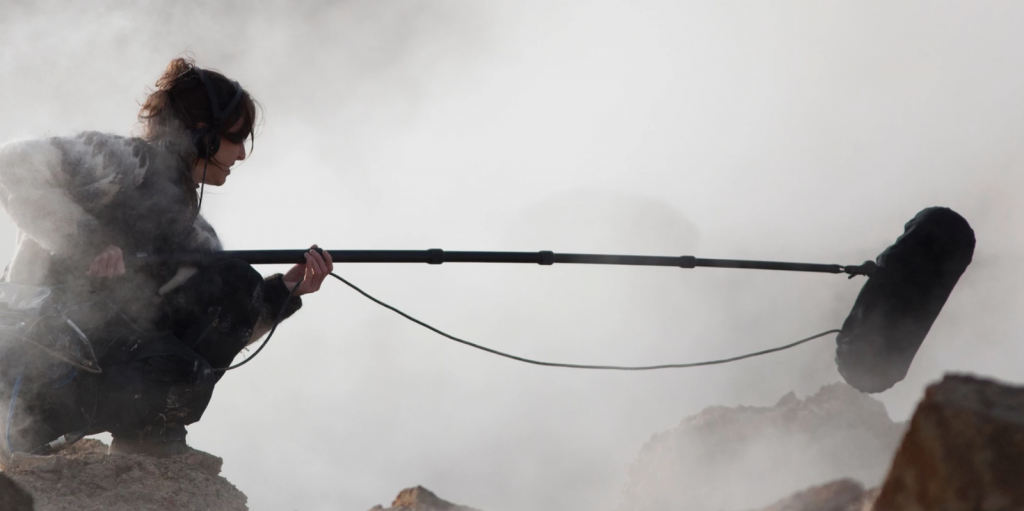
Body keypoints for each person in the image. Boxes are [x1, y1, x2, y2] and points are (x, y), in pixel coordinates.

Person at [0, 57, 332, 459]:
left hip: (90, 366)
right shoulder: (125, 161)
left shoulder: (195, 236)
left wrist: (284, 292)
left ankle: (145, 439)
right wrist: (88, 241)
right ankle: (36, 427)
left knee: (232, 289)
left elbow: (220, 331)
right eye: (236, 137)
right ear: (204, 135)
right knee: (229, 282)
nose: (242, 154)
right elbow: (11, 164)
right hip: (30, 357)